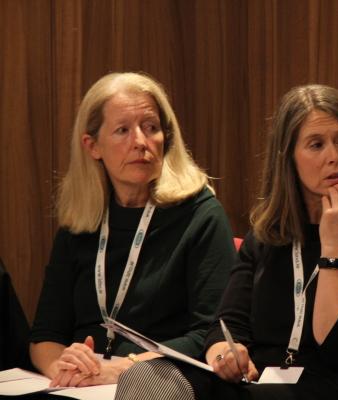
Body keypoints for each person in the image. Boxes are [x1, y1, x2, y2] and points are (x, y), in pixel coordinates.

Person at [114, 84, 338, 400]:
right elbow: (226, 325)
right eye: (316, 145)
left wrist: (334, 246)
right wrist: (226, 353)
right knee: (148, 375)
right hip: (259, 381)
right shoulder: (267, 236)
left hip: (334, 388)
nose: (335, 157)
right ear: (289, 158)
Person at [29, 72, 235, 388]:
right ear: (92, 146)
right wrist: (65, 367)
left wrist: (126, 368)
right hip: (86, 386)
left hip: (163, 381)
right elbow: (45, 336)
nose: (140, 141)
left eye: (151, 127)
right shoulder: (81, 223)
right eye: (123, 130)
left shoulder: (200, 215)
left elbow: (211, 333)